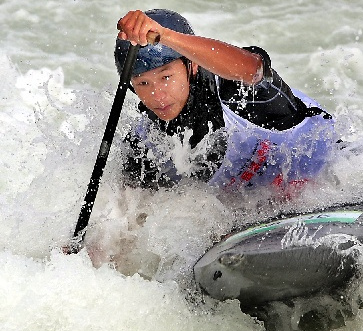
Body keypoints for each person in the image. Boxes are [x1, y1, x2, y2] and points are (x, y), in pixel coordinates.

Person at [115, 9, 338, 196]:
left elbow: (253, 69)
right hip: (258, 213)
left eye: (166, 77)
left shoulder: (235, 89)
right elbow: (132, 215)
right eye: (143, 84)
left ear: (191, 66)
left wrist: (165, 36)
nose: (158, 96)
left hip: (335, 177)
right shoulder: (145, 143)